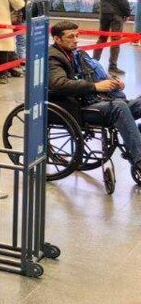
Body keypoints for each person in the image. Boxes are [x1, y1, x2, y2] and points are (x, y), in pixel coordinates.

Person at [47, 20, 141, 182]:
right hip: (78, 108)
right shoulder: (53, 57)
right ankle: (139, 160)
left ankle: (136, 141)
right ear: (57, 39)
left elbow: (94, 73)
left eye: (77, 36)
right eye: (71, 37)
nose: (76, 40)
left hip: (94, 99)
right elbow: (58, 83)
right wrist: (95, 86)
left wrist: (113, 81)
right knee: (119, 107)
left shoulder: (77, 53)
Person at [97, 0, 131, 75]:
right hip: (117, 14)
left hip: (104, 13)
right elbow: (123, 1)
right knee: (115, 41)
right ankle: (112, 66)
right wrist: (127, 13)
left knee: (102, 38)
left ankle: (93, 63)